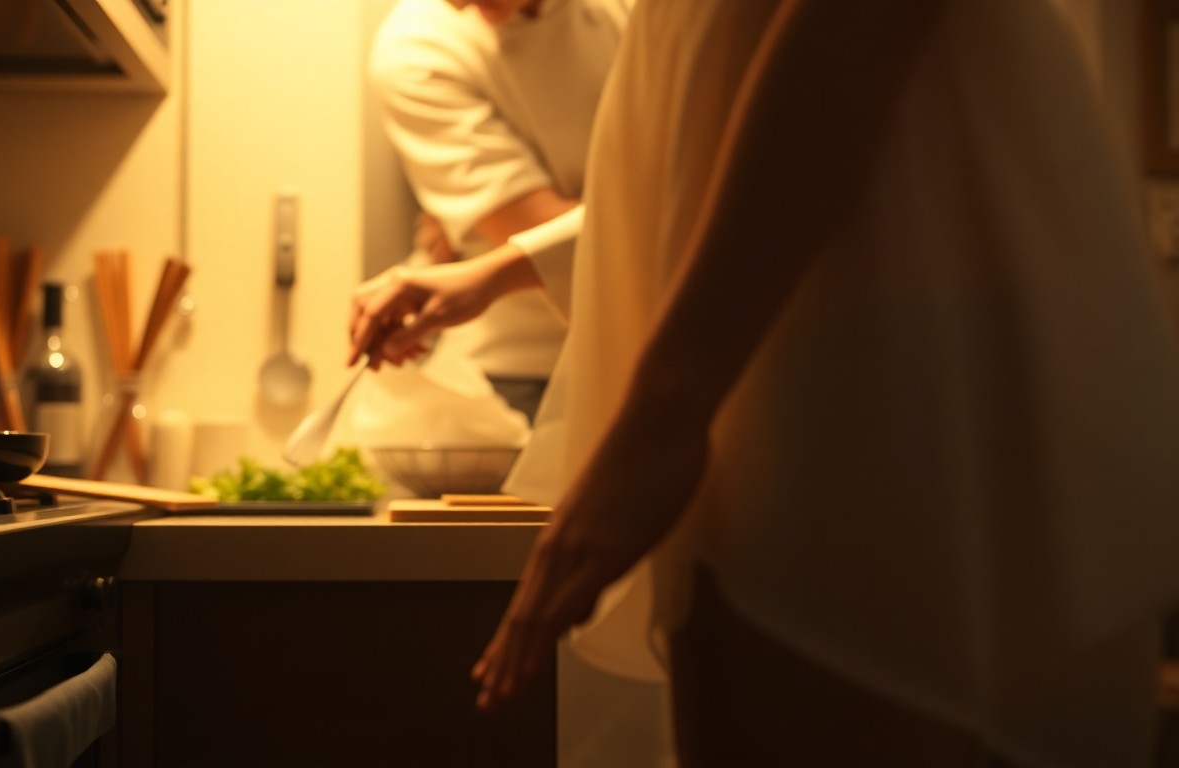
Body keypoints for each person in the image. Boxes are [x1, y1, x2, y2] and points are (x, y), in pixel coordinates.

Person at [352, 0, 1179, 765]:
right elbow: (722, 142)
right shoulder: (426, 43)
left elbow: (845, 43)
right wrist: (502, 272)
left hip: (867, 329)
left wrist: (659, 414)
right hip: (770, 342)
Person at [363, 0, 630, 421]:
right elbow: (554, 230)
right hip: (517, 367)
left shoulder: (642, 12)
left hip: (650, 341)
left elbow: (657, 219)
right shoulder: (417, 47)